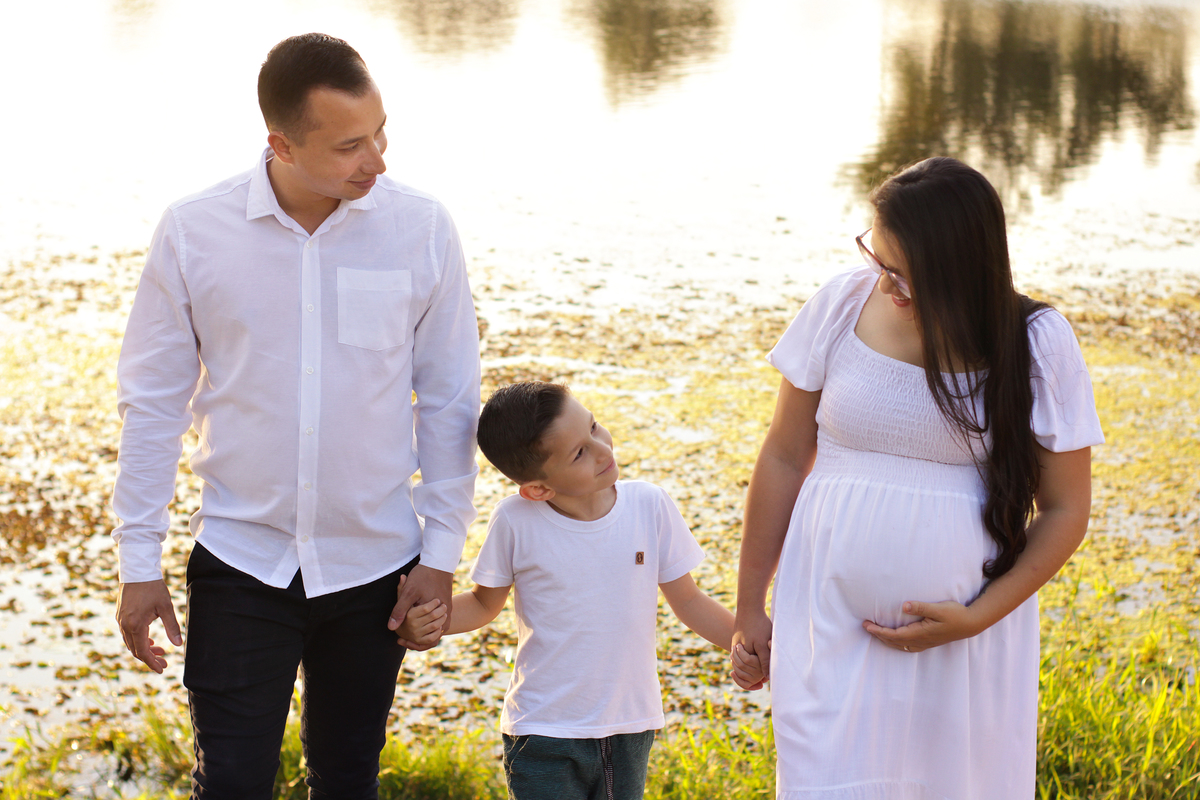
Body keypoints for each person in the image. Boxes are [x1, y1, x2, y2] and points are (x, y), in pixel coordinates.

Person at [110, 33, 481, 798]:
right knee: (233, 785)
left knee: (348, 781)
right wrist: (137, 563)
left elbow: (448, 400)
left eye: (380, 132)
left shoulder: (422, 228)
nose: (376, 159)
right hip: (245, 562)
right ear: (279, 143)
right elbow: (151, 406)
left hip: (376, 566)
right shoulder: (193, 232)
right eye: (350, 145)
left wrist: (441, 555)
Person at [733, 157, 1104, 798]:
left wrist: (977, 618)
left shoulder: (1035, 342)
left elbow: (1066, 510)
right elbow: (784, 457)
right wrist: (748, 606)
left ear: (963, 270)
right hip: (827, 627)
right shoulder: (841, 304)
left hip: (966, 643)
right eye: (878, 261)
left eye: (904, 275)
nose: (885, 287)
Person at [398, 381, 764, 800]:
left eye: (594, 427)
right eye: (579, 452)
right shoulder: (516, 521)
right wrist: (429, 621)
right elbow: (483, 604)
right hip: (542, 730)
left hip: (629, 724)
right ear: (538, 488)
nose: (603, 449)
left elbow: (690, 601)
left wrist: (753, 645)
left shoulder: (649, 505)